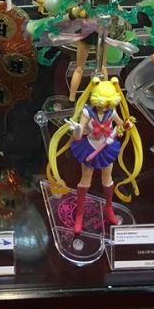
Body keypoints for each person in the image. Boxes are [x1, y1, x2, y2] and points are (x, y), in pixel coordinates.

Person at [48, 77, 142, 234]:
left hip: (106, 147)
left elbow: (121, 125)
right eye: (103, 105)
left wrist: (127, 125)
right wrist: (77, 130)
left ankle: (109, 207)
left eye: (108, 105)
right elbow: (78, 136)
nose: (104, 108)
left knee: (107, 179)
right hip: (89, 147)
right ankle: (79, 214)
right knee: (85, 181)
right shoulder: (87, 112)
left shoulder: (111, 112)